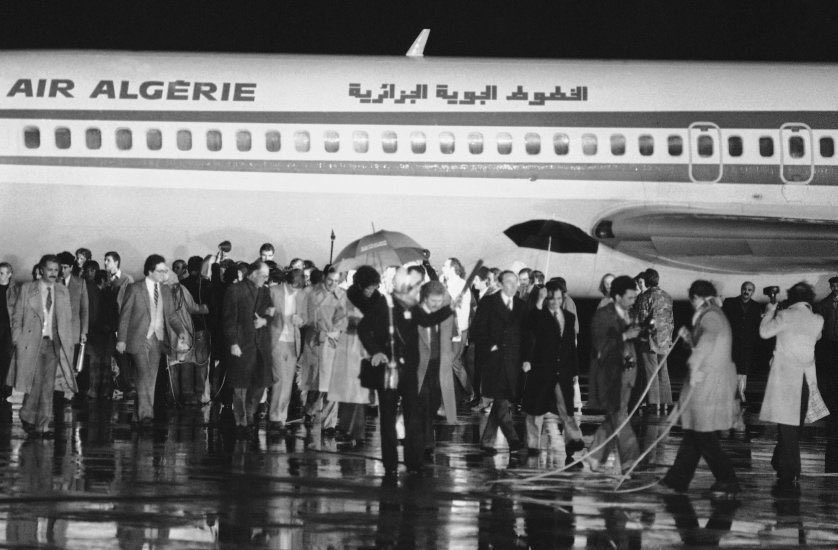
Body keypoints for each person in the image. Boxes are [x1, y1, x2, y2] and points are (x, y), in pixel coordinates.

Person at [659, 280, 740, 496]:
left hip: (707, 382)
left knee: (703, 434)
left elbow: (707, 343)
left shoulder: (710, 315)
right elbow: (705, 343)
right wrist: (689, 338)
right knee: (695, 432)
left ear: (696, 297)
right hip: (709, 380)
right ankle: (677, 480)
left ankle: (727, 479)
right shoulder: (713, 313)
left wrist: (694, 367)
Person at [759, 282, 829, 495]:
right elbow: (817, 337)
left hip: (786, 378)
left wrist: (770, 311)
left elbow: (764, 332)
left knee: (786, 426)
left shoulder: (785, 315)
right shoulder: (817, 319)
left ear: (791, 298)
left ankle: (790, 471)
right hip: (806, 378)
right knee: (795, 426)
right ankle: (779, 460)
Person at [7, 255, 78, 437]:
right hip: (32, 343)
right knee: (36, 382)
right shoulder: (28, 289)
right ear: (41, 270)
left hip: (53, 344)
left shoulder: (62, 291)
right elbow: (17, 316)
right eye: (50, 269)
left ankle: (43, 426)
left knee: (48, 386)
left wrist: (68, 342)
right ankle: (27, 415)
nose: (53, 273)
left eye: (56, 270)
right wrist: (17, 338)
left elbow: (67, 319)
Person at [116, 255, 185, 427]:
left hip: (158, 339)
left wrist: (181, 331)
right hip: (139, 338)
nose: (164, 274)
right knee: (144, 374)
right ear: (150, 271)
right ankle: (147, 416)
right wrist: (121, 339)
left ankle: (138, 417)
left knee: (150, 379)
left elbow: (171, 315)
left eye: (165, 270)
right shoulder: (135, 288)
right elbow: (125, 315)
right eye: (160, 271)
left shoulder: (166, 291)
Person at [521, 282, 585, 465]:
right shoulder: (539, 316)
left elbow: (570, 346)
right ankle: (533, 445)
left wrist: (574, 370)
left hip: (562, 371)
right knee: (535, 410)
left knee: (567, 409)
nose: (555, 302)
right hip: (542, 370)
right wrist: (539, 299)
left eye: (558, 298)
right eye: (551, 298)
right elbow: (529, 326)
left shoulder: (569, 317)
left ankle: (573, 441)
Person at [402, 280, 459, 472]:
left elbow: (453, 336)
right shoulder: (414, 313)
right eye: (434, 301)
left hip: (438, 366)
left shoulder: (444, 314)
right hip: (418, 367)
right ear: (425, 298)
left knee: (433, 403)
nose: (437, 305)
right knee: (421, 405)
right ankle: (421, 447)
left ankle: (426, 441)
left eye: (440, 301)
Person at [586, 275, 641, 473]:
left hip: (628, 374)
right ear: (617, 297)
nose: (633, 301)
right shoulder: (603, 315)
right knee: (619, 415)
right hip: (611, 375)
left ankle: (595, 455)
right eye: (630, 297)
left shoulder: (629, 314)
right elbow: (600, 345)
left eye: (634, 297)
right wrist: (625, 335)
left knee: (615, 416)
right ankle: (630, 459)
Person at [471, 270, 527, 454]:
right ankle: (513, 439)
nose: (513, 286)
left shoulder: (521, 305)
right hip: (493, 360)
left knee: (500, 399)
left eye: (515, 282)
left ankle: (487, 441)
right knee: (501, 398)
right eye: (509, 282)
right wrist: (491, 346)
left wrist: (525, 358)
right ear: (501, 284)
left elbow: (526, 334)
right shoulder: (488, 302)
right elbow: (477, 330)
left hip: (512, 361)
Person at [223, 261, 274, 438]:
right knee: (240, 386)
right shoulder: (235, 290)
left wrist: (265, 321)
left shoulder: (265, 291)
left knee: (260, 383)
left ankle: (249, 415)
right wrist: (233, 343)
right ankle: (241, 422)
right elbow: (229, 319)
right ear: (253, 274)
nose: (266, 279)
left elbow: (271, 312)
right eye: (263, 275)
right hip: (242, 344)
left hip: (260, 344)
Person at [299, 266, 346, 435]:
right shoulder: (311, 293)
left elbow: (345, 319)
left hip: (332, 342)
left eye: (336, 281)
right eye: (330, 280)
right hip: (314, 342)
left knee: (331, 384)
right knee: (315, 383)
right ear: (324, 278)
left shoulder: (342, 295)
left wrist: (338, 329)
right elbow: (304, 315)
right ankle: (309, 410)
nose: (333, 284)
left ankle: (329, 424)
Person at [267, 268, 307, 433]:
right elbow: (264, 312)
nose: (295, 291)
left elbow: (306, 316)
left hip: (293, 342)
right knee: (279, 378)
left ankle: (281, 418)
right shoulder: (273, 291)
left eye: (298, 288)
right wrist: (272, 314)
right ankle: (275, 417)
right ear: (288, 283)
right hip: (276, 340)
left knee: (288, 381)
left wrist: (301, 320)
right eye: (294, 288)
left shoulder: (301, 295)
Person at [634, 269, 674, 414]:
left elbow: (641, 320)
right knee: (663, 371)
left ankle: (653, 403)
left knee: (651, 372)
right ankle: (666, 402)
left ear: (647, 280)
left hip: (650, 340)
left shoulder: (646, 297)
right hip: (665, 339)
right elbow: (671, 319)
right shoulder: (667, 296)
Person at [722, 281, 763, 405]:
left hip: (747, 344)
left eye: (749, 290)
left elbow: (757, 326)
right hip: (731, 342)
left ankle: (740, 393)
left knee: (743, 371)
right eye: (745, 289)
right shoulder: (729, 302)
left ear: (752, 292)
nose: (746, 291)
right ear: (741, 289)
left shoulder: (756, 306)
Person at [0, 262, 20, 400]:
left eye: (2, 273)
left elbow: (19, 311)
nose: (0, 276)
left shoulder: (16, 291)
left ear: (9, 274)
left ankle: (5, 391)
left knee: (7, 360)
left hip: (9, 329)